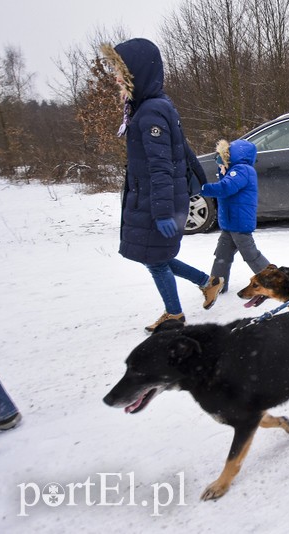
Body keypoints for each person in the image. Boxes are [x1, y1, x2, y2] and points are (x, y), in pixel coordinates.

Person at [101, 38, 223, 332]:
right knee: (158, 256)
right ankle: (208, 283)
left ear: (137, 73)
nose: (116, 78)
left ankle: (175, 315)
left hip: (156, 202)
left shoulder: (151, 111)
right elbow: (178, 152)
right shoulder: (151, 106)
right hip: (152, 200)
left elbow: (161, 168)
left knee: (155, 259)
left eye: (121, 71)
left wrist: (162, 212)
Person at [200, 139, 271, 293]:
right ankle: (217, 285)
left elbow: (225, 188)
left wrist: (202, 189)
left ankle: (274, 281)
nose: (220, 158)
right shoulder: (234, 170)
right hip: (230, 223)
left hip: (239, 222)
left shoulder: (241, 170)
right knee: (222, 256)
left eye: (224, 155)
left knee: (251, 255)